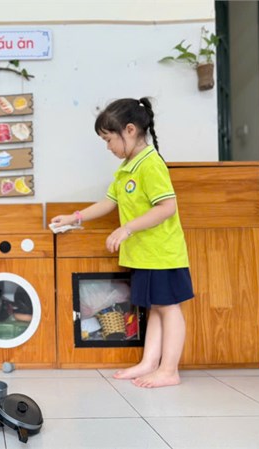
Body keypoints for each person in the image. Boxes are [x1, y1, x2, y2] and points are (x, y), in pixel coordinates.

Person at [51, 97, 194, 388]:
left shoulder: (150, 164)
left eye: (108, 139)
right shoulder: (127, 167)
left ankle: (169, 370)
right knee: (156, 308)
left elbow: (167, 207)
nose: (108, 147)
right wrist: (74, 217)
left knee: (169, 309)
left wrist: (127, 228)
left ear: (129, 130)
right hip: (145, 255)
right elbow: (109, 202)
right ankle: (149, 363)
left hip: (162, 253)